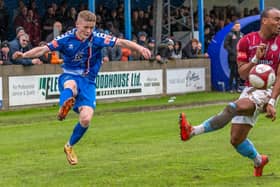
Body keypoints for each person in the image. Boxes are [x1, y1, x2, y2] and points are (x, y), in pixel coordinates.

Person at [14, 10, 151, 165]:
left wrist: (140, 48)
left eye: (91, 27)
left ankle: (69, 146)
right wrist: (24, 55)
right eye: (85, 27)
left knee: (86, 119)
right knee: (70, 85)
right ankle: (62, 109)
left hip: (88, 82)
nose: (88, 31)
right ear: (77, 24)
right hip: (70, 74)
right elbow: (44, 49)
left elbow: (121, 42)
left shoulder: (97, 38)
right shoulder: (66, 39)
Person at [179, 7, 280, 177]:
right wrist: (255, 59)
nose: (279, 23)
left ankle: (192, 131)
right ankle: (259, 160)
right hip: (249, 89)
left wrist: (272, 101)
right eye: (277, 19)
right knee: (236, 140)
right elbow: (242, 73)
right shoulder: (246, 41)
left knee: (233, 107)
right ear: (264, 21)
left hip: (267, 91)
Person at [224, 21, 243, 93]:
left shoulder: (241, 35)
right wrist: (232, 52)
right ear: (233, 27)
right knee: (232, 72)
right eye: (236, 26)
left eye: (239, 26)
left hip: (239, 57)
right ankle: (230, 88)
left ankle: (237, 88)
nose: (238, 28)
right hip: (232, 57)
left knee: (238, 73)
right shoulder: (230, 34)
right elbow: (225, 45)